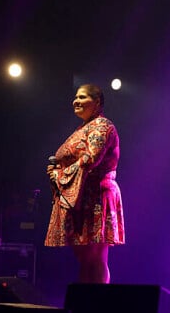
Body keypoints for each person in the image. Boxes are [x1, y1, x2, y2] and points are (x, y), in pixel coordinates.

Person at [44, 83, 125, 283]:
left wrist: (59, 175)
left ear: (97, 102)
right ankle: (84, 301)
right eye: (75, 97)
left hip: (96, 195)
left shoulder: (102, 126)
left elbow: (91, 159)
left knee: (95, 257)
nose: (76, 101)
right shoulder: (84, 127)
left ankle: (97, 304)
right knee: (84, 259)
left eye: (82, 97)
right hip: (81, 196)